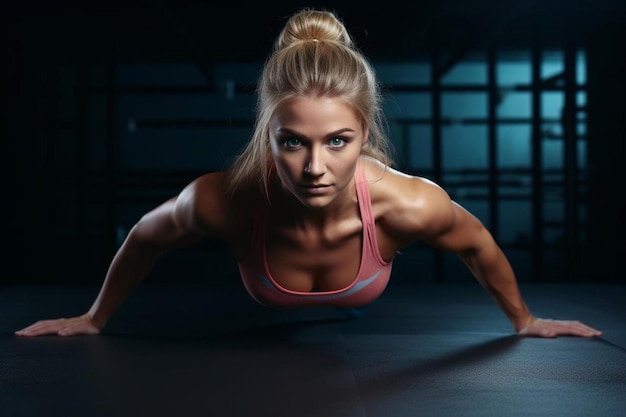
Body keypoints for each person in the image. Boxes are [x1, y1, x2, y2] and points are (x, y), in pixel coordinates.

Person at [15, 8, 601, 339]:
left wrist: (524, 321)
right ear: (266, 135)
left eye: (338, 142)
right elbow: (144, 239)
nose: (315, 167)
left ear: (365, 137)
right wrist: (94, 319)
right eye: (292, 142)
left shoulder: (409, 206)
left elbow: (480, 246)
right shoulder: (221, 202)